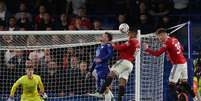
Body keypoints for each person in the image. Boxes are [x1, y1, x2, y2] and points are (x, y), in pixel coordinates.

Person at [143, 28, 198, 101]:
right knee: (184, 83)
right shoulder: (175, 39)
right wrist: (170, 53)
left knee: (171, 85)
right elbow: (181, 48)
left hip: (177, 64)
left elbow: (157, 54)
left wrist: (147, 49)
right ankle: (195, 98)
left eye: (159, 37)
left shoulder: (167, 43)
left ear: (163, 35)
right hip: (184, 63)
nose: (159, 39)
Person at [100, 28, 140, 101]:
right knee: (122, 83)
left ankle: (100, 92)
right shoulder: (138, 43)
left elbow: (120, 47)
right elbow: (126, 50)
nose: (128, 35)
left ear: (134, 34)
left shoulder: (131, 41)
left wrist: (113, 45)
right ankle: (119, 99)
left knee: (111, 74)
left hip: (123, 61)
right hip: (130, 64)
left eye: (129, 33)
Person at [86, 32, 114, 100]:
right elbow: (95, 60)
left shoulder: (108, 45)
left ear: (108, 39)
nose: (102, 36)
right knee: (101, 86)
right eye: (102, 35)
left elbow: (110, 55)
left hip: (104, 67)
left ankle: (102, 94)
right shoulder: (98, 48)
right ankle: (101, 93)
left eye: (105, 36)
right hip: (97, 68)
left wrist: (101, 59)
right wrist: (90, 71)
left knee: (106, 87)